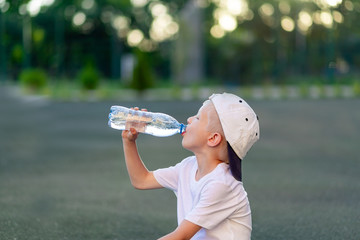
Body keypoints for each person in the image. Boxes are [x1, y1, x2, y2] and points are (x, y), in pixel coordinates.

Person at [121, 93, 260, 240]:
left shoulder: (222, 184)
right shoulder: (188, 166)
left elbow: (180, 236)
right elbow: (141, 180)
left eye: (198, 118)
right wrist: (129, 141)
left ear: (213, 138)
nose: (189, 119)